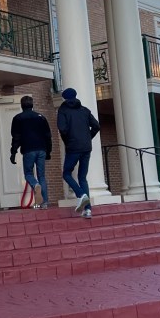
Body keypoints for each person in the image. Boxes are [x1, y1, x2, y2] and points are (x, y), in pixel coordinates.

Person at [56, 87, 100, 219]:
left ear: (64, 98)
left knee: (66, 173)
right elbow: (96, 126)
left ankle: (81, 195)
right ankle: (88, 210)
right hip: (86, 147)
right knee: (82, 178)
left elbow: (62, 129)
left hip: (73, 147)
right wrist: (88, 137)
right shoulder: (85, 110)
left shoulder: (63, 111)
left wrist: (69, 141)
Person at [9, 95, 53, 209]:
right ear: (32, 105)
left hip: (28, 150)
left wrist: (13, 152)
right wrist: (48, 151)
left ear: (21, 105)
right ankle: (44, 203)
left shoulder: (18, 118)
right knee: (41, 175)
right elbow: (48, 136)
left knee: (28, 174)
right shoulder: (41, 117)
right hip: (42, 149)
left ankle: (35, 185)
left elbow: (16, 137)